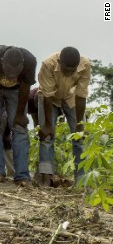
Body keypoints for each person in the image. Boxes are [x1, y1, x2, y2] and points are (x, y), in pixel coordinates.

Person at [0, 45, 36, 186]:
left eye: (15, 73)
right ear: (2, 62)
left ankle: (22, 175)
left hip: (17, 91)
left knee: (20, 128)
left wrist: (19, 115)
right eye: (8, 72)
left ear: (22, 65)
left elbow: (25, 87)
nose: (11, 76)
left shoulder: (30, 61)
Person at [37, 47, 91, 186]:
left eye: (71, 70)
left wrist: (80, 123)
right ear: (60, 62)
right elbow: (48, 96)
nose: (68, 73)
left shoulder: (85, 65)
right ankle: (46, 179)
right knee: (47, 136)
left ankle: (81, 181)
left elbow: (81, 95)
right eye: (65, 69)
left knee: (80, 137)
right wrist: (47, 125)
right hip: (49, 99)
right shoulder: (48, 64)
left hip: (71, 98)